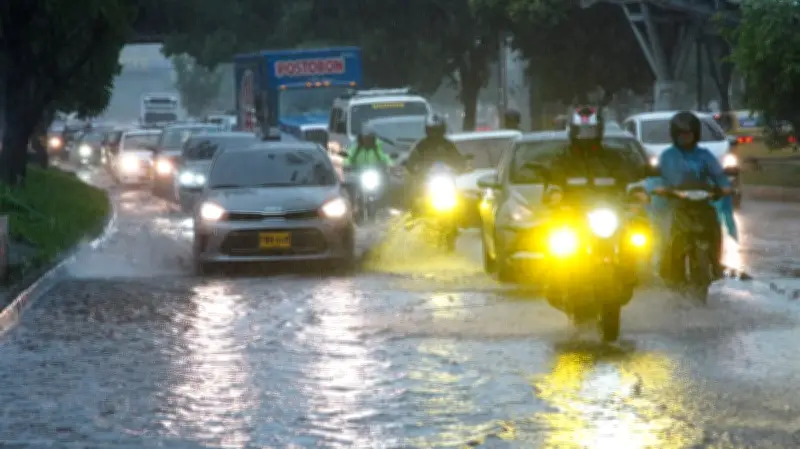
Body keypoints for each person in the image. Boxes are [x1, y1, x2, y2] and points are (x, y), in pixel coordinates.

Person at [652, 111, 733, 282]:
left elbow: (718, 174)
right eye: (682, 134)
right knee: (666, 234)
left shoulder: (705, 155)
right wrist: (660, 188)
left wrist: (724, 187)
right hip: (676, 204)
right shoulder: (667, 156)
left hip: (702, 204)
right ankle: (666, 267)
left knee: (715, 228)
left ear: (695, 134)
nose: (685, 138)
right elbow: (658, 177)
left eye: (689, 134)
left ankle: (716, 263)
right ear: (675, 135)